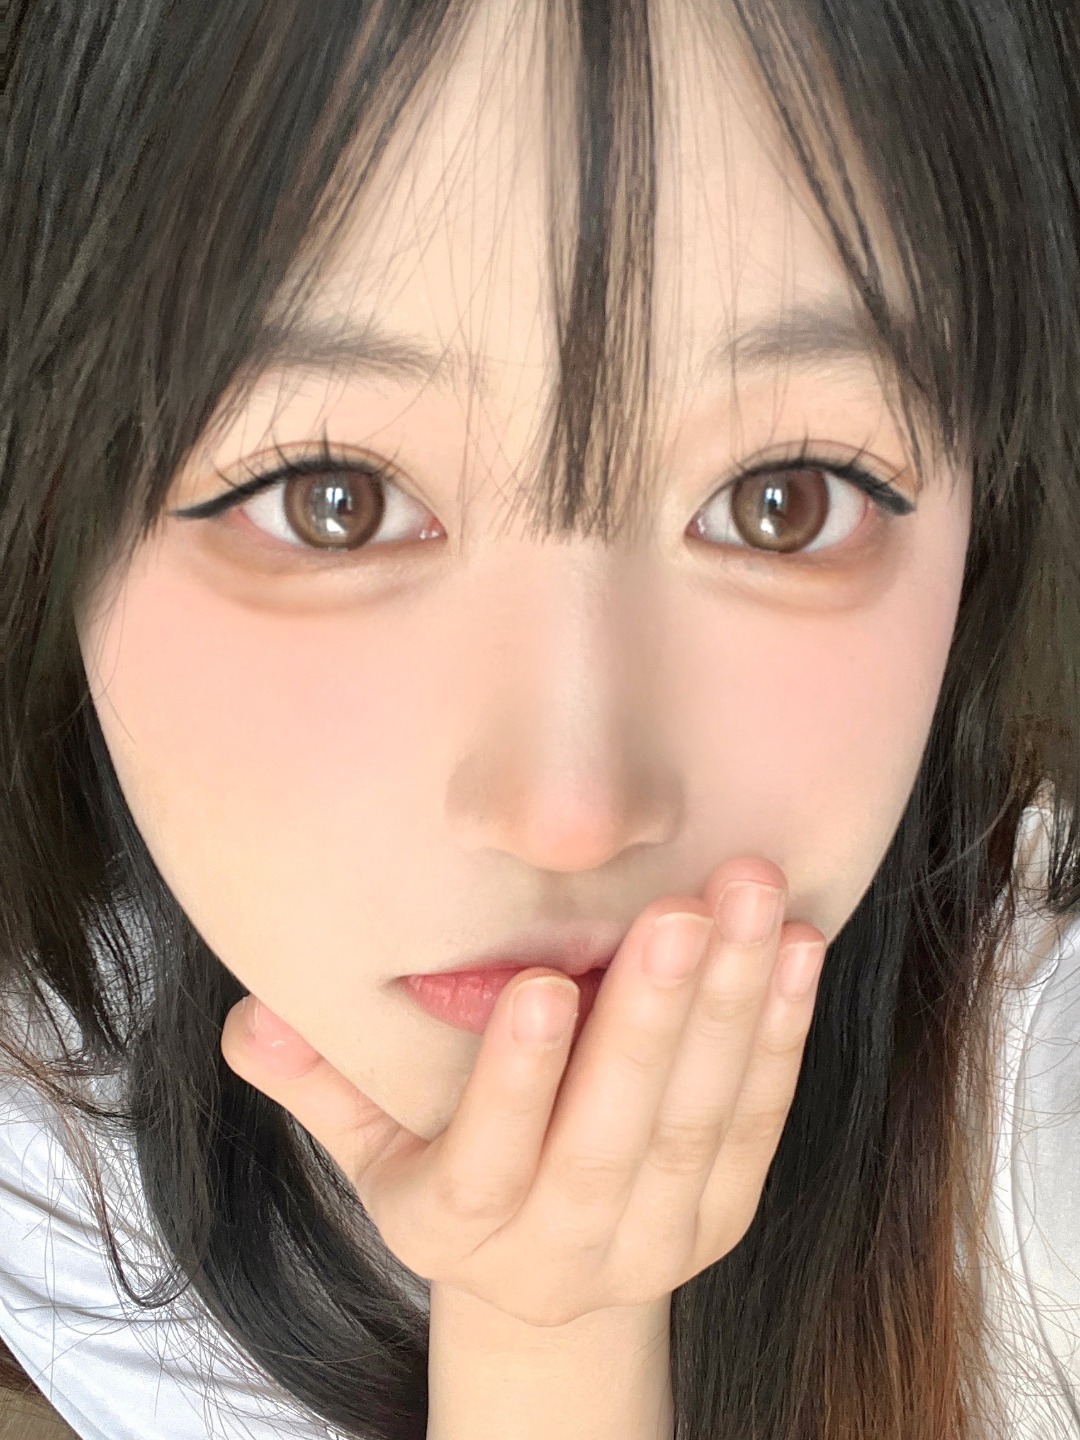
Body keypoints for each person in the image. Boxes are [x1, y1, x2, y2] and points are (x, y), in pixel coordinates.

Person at [1, 0, 1078, 1436]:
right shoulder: (46, 1150)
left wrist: (549, 1331)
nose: (572, 811)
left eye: (784, 501)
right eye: (332, 500)